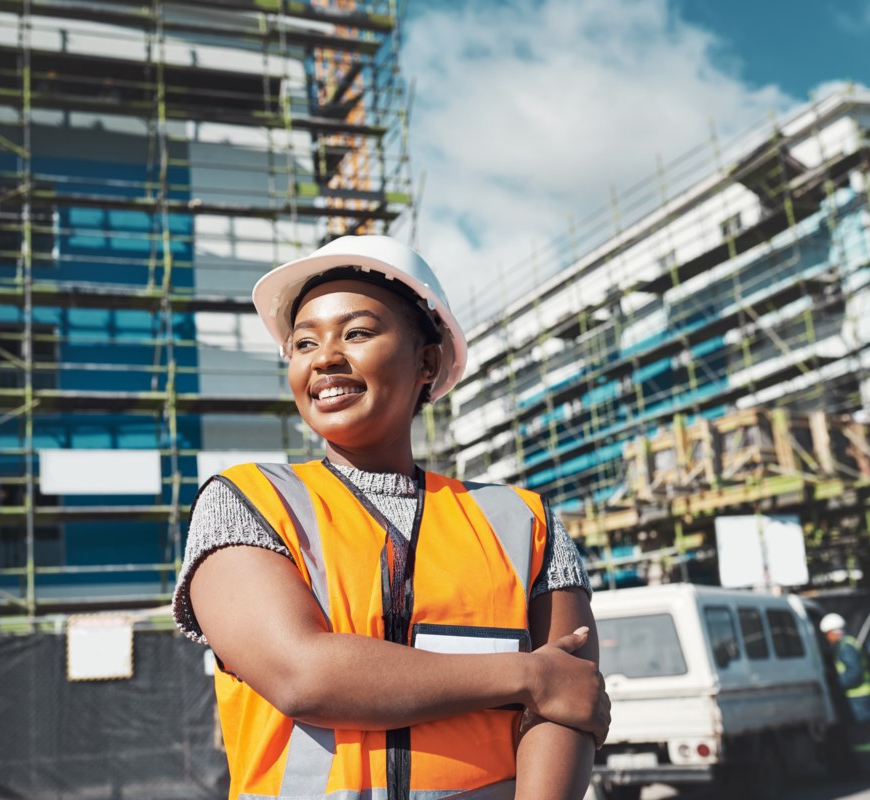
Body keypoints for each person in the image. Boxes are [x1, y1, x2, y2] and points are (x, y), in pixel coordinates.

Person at [173, 235, 610, 800]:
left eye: (356, 333)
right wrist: (528, 675)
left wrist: (551, 686)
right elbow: (301, 675)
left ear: (426, 360)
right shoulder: (246, 502)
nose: (325, 357)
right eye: (303, 343)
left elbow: (570, 697)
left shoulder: (524, 522)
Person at [821, 613, 870, 756]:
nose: (827, 638)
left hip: (859, 700)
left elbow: (854, 672)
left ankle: (867, 766)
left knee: (863, 736)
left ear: (835, 632)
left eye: (827, 634)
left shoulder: (846, 647)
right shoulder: (845, 645)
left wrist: (837, 687)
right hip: (858, 699)